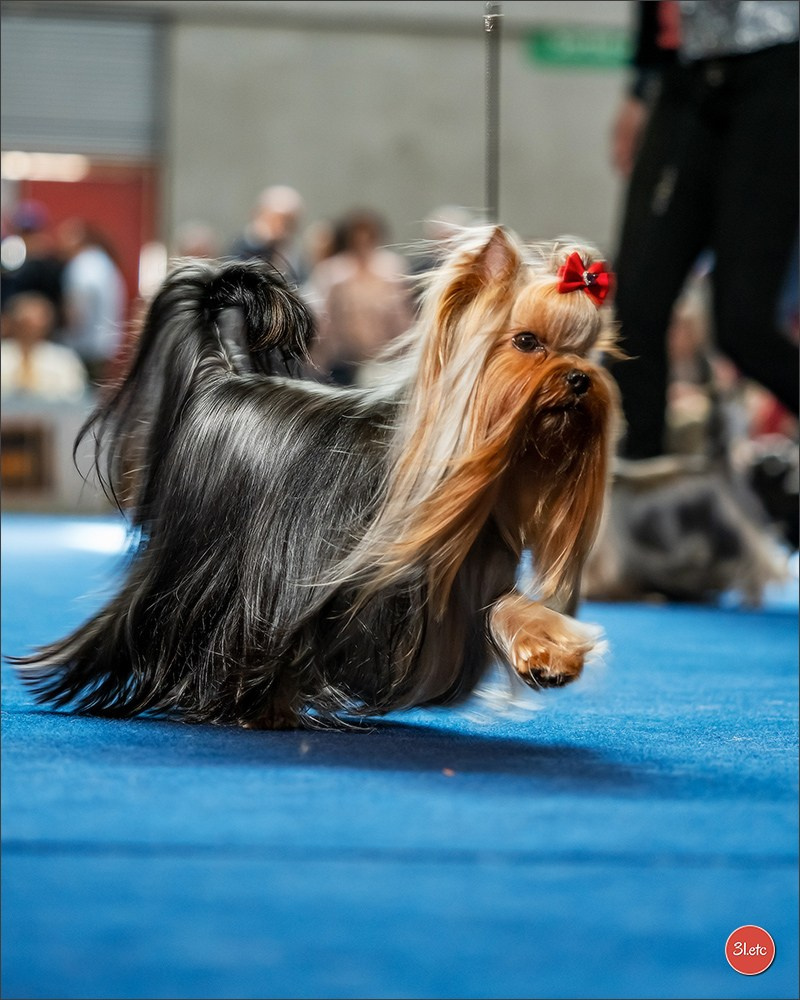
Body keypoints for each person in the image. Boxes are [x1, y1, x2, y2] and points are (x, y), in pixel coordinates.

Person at [610, 0, 799, 460]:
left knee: (742, 327)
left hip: (777, 63)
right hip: (685, 71)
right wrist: (641, 85)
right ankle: (641, 495)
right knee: (632, 313)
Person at [308, 208, 413, 385]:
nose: (362, 243)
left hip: (383, 359)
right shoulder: (334, 272)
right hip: (343, 360)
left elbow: (401, 316)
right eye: (357, 239)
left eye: (367, 237)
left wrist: (408, 352)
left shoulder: (391, 268)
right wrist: (315, 359)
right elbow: (324, 319)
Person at [57, 219, 128, 385]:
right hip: (105, 345)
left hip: (85, 348)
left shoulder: (82, 265)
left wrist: (65, 339)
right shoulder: (104, 262)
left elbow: (78, 309)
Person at [1, 292, 88, 401]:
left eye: (35, 323)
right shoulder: (3, 354)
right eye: (25, 323)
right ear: (13, 322)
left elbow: (74, 397)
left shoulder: (64, 359)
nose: (30, 330)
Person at [227, 184, 306, 283]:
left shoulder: (294, 252)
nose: (282, 228)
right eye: (277, 220)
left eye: (290, 223)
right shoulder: (244, 247)